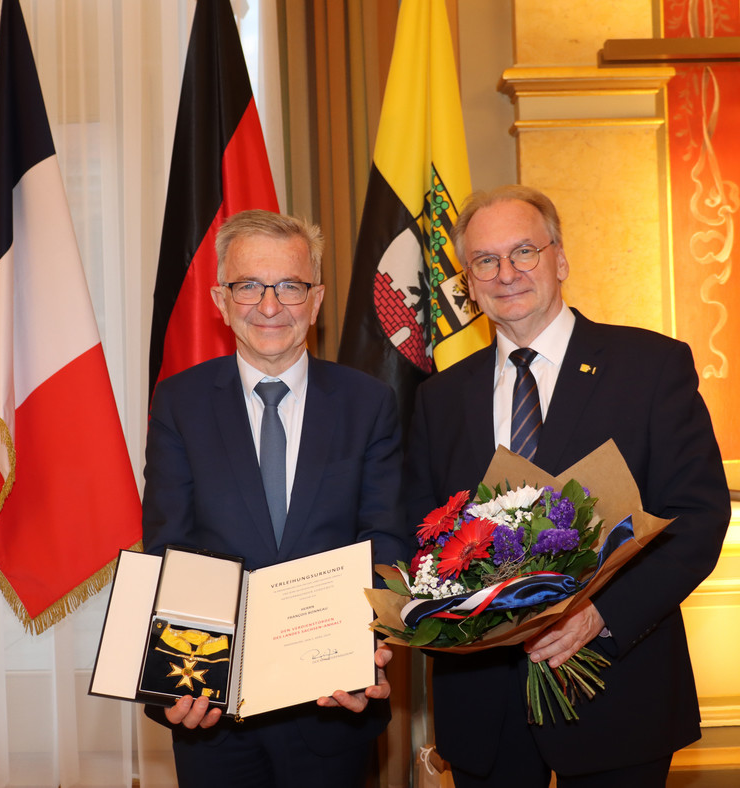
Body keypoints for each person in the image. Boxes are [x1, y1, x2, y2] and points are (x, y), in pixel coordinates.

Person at [404, 185, 730, 787]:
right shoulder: (438, 399)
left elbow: (698, 517)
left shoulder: (651, 367)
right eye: (484, 261)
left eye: (524, 251)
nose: (506, 273)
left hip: (618, 689)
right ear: (468, 285)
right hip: (483, 713)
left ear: (560, 259)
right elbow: (419, 537)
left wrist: (599, 615)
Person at [142, 209, 407, 788]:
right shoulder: (179, 403)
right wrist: (175, 677)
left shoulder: (369, 403)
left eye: (289, 286)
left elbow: (385, 540)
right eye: (248, 286)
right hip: (214, 708)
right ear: (220, 298)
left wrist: (368, 645)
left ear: (315, 301)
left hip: (334, 702)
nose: (269, 306)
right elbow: (170, 547)